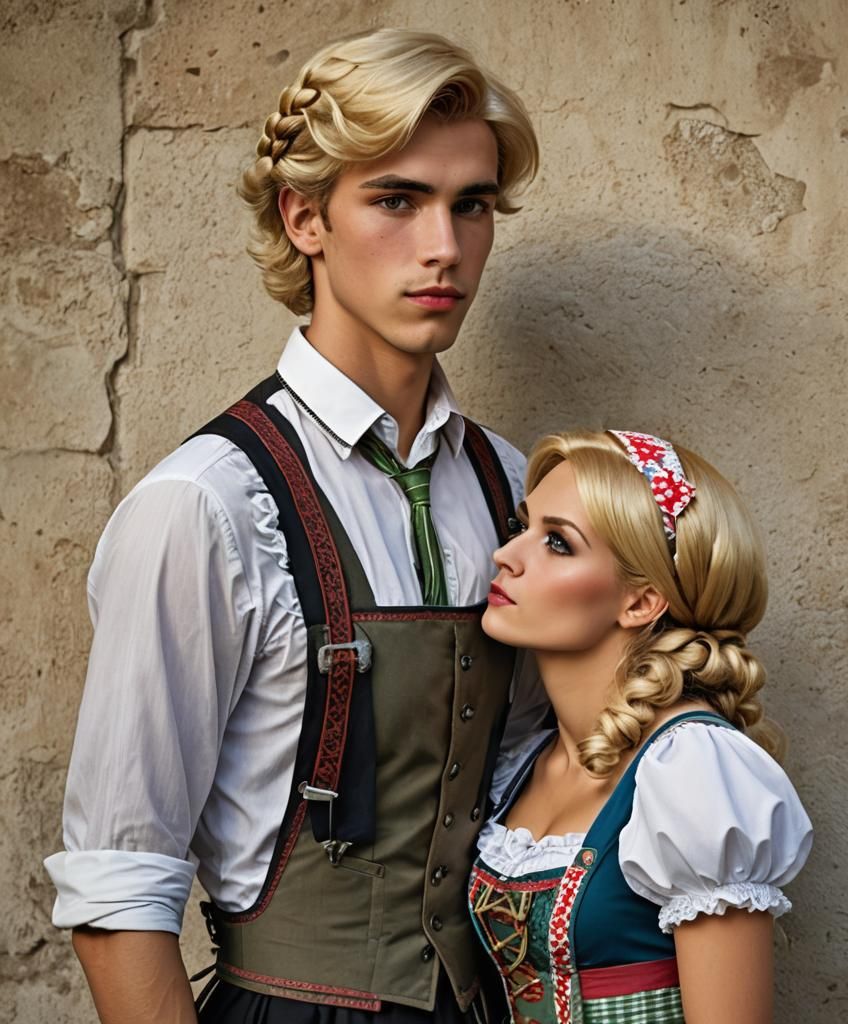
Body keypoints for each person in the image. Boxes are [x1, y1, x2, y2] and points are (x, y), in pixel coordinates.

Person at [44, 29, 544, 1024]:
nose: (444, 245)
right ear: (304, 216)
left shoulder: (518, 488)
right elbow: (116, 890)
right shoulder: (205, 504)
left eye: (471, 204)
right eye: (397, 200)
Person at [470, 430, 814, 1023]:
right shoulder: (523, 757)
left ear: (640, 602)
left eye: (557, 542)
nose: (507, 555)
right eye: (520, 527)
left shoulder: (694, 774)